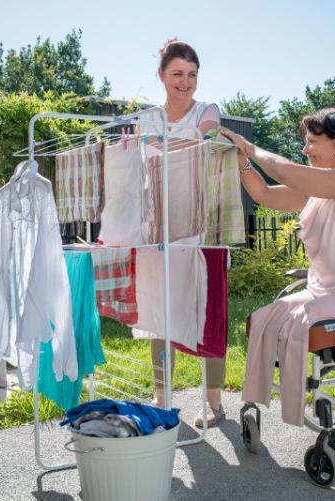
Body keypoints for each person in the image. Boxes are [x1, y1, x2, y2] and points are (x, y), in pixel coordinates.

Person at [219, 108, 335, 426]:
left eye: (311, 142)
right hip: (320, 289)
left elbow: (286, 173)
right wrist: (242, 159)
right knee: (263, 318)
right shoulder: (317, 189)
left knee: (299, 322)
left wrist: (251, 146)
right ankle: (255, 402)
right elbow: (265, 194)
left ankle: (294, 412)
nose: (304, 149)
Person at [142, 39, 226, 428]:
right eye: (177, 74)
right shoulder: (147, 119)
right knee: (161, 318)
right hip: (159, 231)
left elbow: (208, 138)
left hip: (201, 231)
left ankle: (213, 403)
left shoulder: (205, 110)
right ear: (161, 75)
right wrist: (162, 143)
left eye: (191, 75)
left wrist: (168, 144)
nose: (185, 82)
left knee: (206, 314)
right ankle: (163, 397)